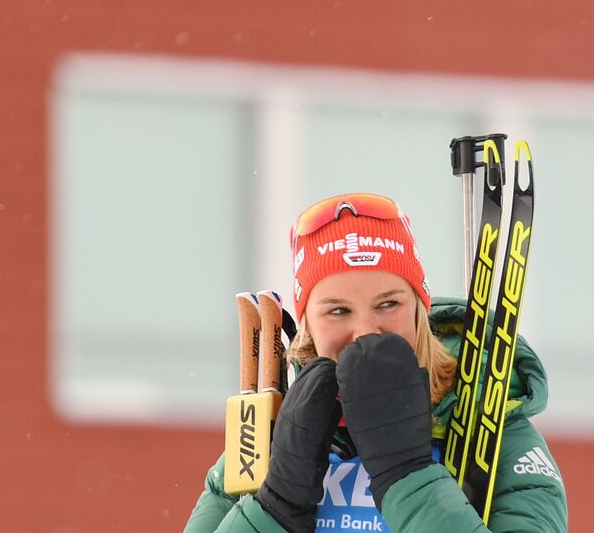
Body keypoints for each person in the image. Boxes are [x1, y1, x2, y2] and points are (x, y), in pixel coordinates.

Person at [183, 192, 568, 532]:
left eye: (388, 304)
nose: (365, 332)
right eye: (337, 311)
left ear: (420, 308)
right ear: (308, 326)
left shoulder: (495, 433)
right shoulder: (266, 438)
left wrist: (409, 478)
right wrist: (274, 505)